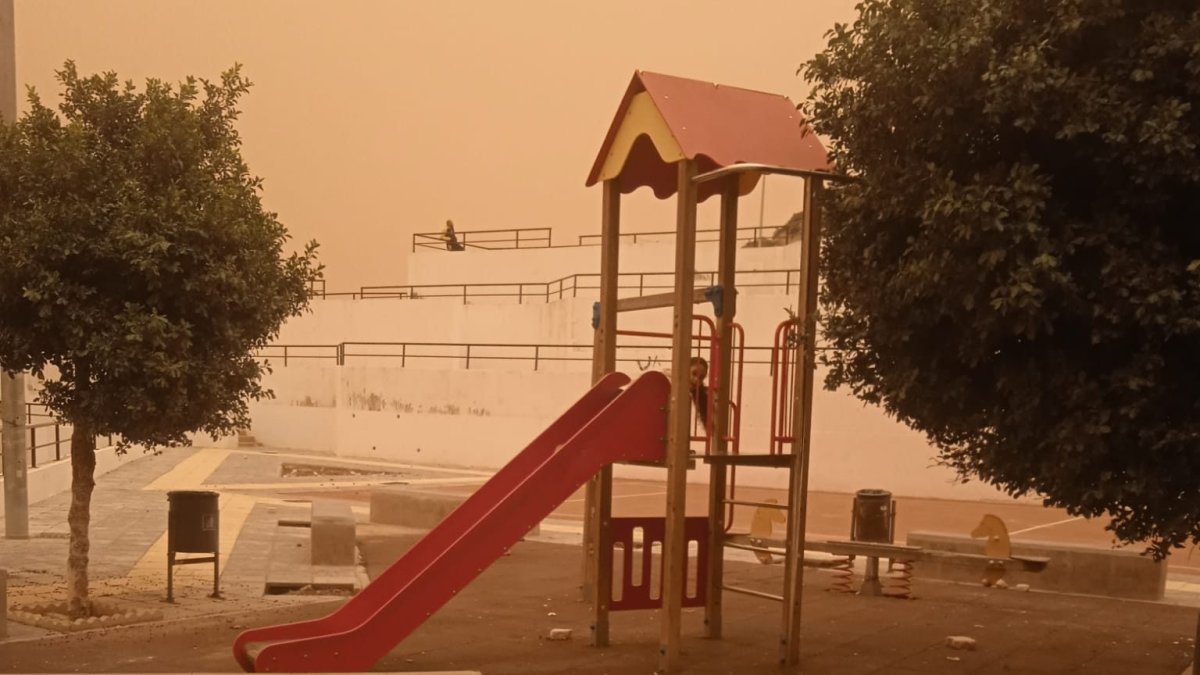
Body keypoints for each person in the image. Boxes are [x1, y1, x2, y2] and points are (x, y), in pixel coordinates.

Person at [690, 356, 710, 429]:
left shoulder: (701, 399)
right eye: (694, 374)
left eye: (701, 378)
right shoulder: (666, 384)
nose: (696, 380)